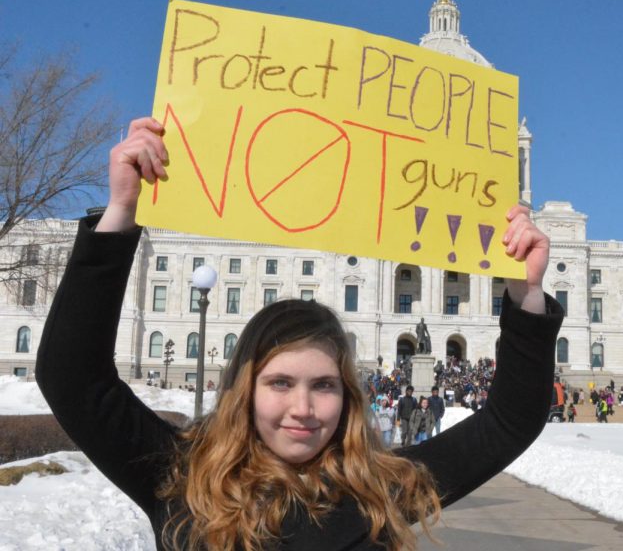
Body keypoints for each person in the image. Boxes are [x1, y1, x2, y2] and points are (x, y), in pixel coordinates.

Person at [35, 117, 563, 551]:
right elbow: (72, 376)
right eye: (281, 382)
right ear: (246, 388)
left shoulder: (383, 489)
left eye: (324, 385)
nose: (304, 408)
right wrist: (122, 213)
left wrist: (525, 293)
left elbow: (510, 421)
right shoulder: (183, 479)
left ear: (348, 393)